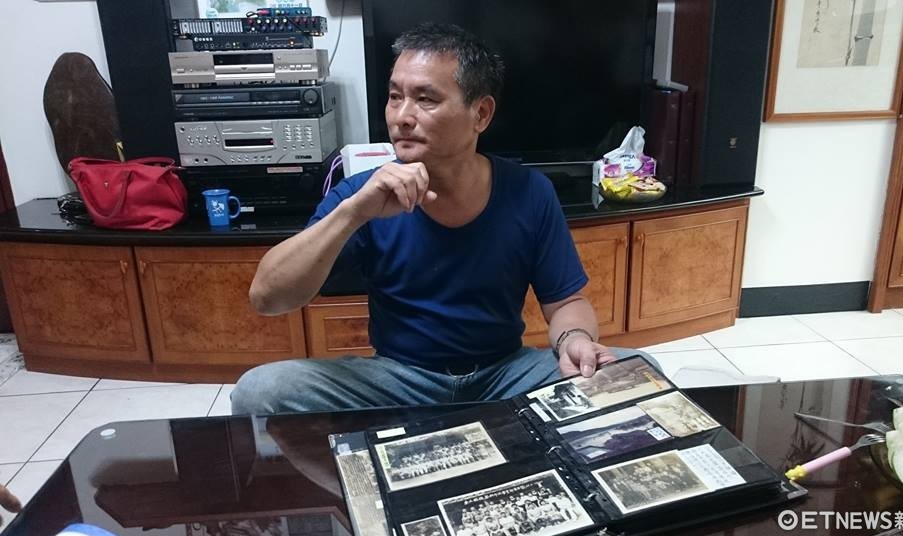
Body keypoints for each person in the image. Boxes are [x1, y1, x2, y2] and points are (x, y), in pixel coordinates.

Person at [231, 22, 657, 415]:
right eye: (395, 96)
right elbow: (267, 298)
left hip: (504, 375)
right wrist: (353, 213)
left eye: (426, 99)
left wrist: (574, 340)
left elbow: (565, 302)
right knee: (260, 390)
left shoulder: (530, 192)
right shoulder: (362, 194)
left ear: (481, 114)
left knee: (638, 369)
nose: (401, 116)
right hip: (399, 379)